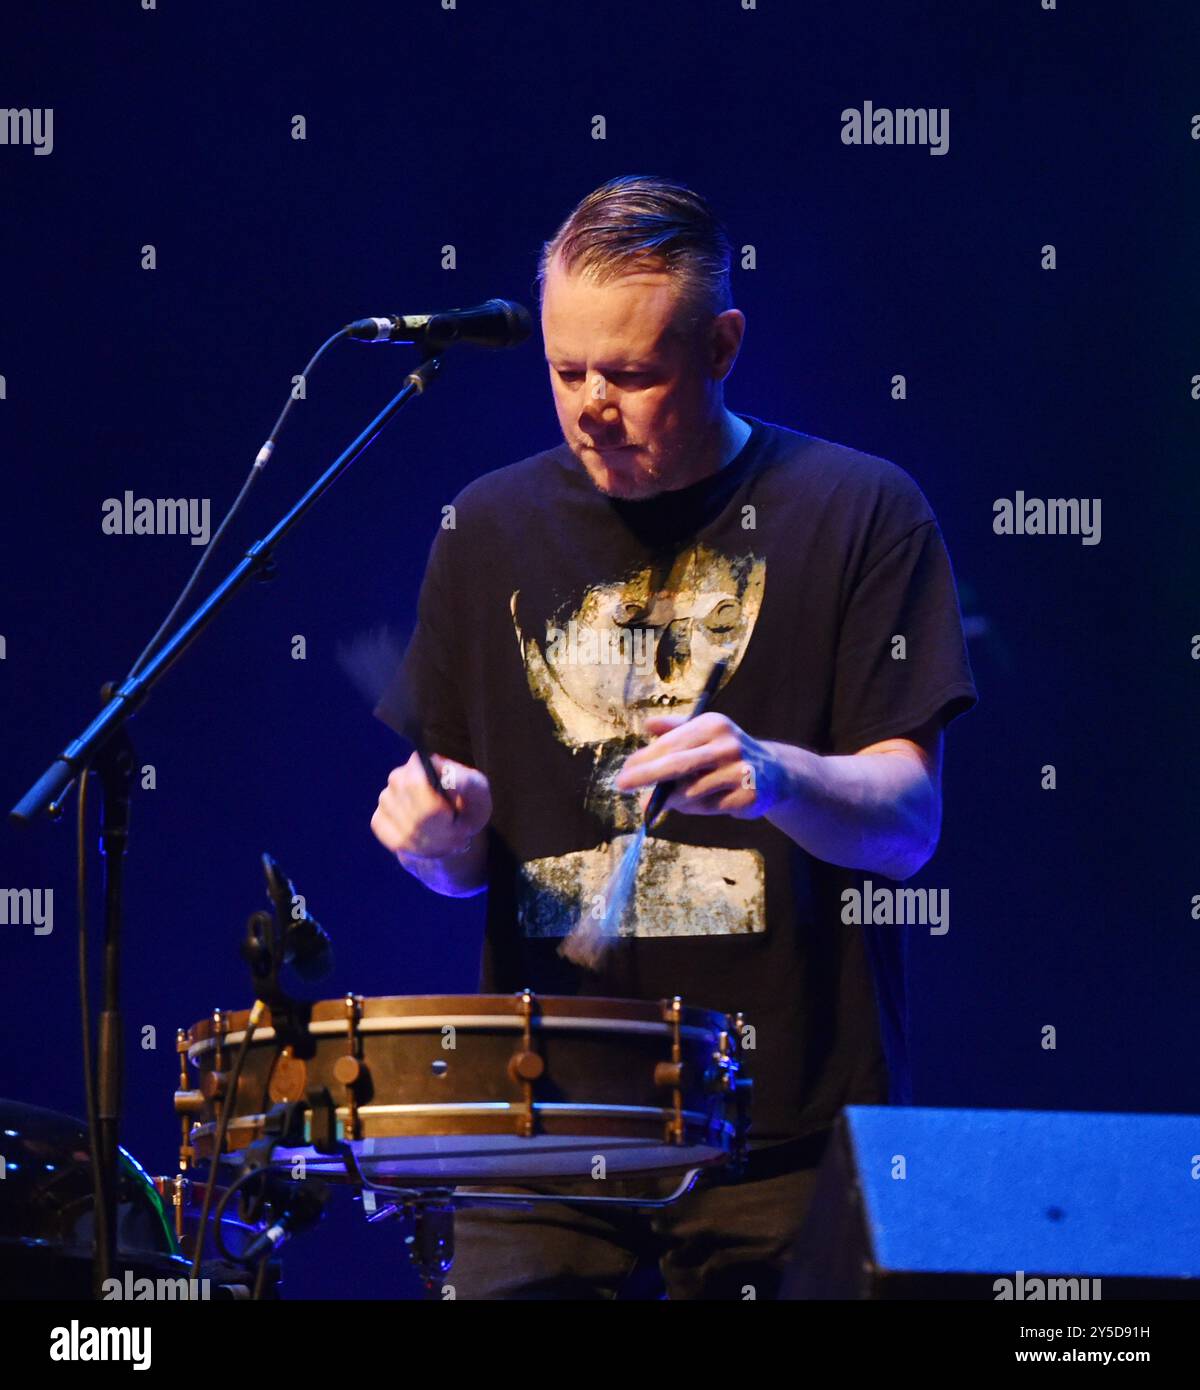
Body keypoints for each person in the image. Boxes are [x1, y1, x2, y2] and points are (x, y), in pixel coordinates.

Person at [370, 174, 978, 1299]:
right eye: (565, 371)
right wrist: (439, 834)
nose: (592, 405)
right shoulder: (486, 527)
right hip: (541, 1127)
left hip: (783, 1133)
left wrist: (773, 771)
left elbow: (908, 827)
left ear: (723, 345)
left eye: (632, 374)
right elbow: (462, 865)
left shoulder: (860, 510)